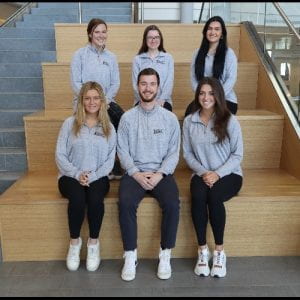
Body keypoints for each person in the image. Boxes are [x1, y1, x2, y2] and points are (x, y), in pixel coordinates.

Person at [117, 68, 181, 281]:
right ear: (137, 87)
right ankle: (130, 255)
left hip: (161, 173)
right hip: (134, 173)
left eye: (152, 84)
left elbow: (174, 153)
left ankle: (165, 254)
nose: (147, 88)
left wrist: (160, 174)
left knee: (172, 203)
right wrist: (135, 174)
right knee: (125, 202)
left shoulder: (170, 119)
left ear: (158, 87)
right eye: (143, 83)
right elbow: (122, 151)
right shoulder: (127, 118)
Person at [182, 77, 243, 278]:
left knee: (214, 197)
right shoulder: (190, 121)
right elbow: (188, 154)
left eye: (210, 93)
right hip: (201, 173)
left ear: (218, 95)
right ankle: (202, 250)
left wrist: (217, 174)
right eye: (202, 93)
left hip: (229, 174)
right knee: (198, 196)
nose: (206, 97)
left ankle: (219, 251)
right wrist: (204, 172)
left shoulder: (230, 120)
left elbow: (237, 155)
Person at [55, 81, 116, 272]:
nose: (92, 102)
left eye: (96, 98)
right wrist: (76, 173)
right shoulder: (69, 124)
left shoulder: (108, 128)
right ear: (81, 100)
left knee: (96, 199)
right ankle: (74, 244)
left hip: (98, 177)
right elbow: (60, 155)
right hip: (70, 176)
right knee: (78, 198)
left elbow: (109, 161)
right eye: (87, 98)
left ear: (102, 101)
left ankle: (93, 244)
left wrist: (93, 175)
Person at [70, 18, 123, 178]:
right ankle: (98, 167)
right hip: (83, 102)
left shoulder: (111, 57)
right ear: (90, 34)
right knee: (97, 123)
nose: (101, 35)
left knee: (123, 120)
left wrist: (104, 100)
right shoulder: (79, 55)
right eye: (97, 32)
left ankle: (115, 162)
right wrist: (92, 100)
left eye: (104, 31)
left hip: (106, 101)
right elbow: (75, 82)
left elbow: (115, 82)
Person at [185, 16, 238, 117]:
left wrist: (214, 97)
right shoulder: (197, 53)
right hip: (203, 99)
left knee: (213, 117)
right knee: (189, 114)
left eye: (217, 29)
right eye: (210, 28)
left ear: (222, 34)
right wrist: (203, 97)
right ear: (205, 32)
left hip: (225, 99)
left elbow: (231, 79)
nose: (213, 32)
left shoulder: (229, 54)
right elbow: (193, 79)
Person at [132, 25, 174, 111]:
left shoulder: (168, 58)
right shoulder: (138, 59)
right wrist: (146, 101)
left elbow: (169, 82)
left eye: (156, 37)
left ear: (160, 39)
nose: (153, 40)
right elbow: (135, 84)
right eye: (150, 37)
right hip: (142, 100)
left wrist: (161, 99)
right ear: (145, 40)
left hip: (163, 101)